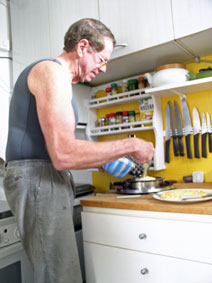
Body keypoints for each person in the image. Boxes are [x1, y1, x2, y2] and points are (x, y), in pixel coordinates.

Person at [3, 18, 155, 283]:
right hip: (38, 179)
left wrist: (103, 160)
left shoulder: (60, 80)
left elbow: (61, 152)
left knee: (60, 273)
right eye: (102, 59)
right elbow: (63, 154)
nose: (104, 68)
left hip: (46, 177)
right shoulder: (50, 71)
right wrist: (131, 144)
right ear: (83, 47)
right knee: (58, 276)